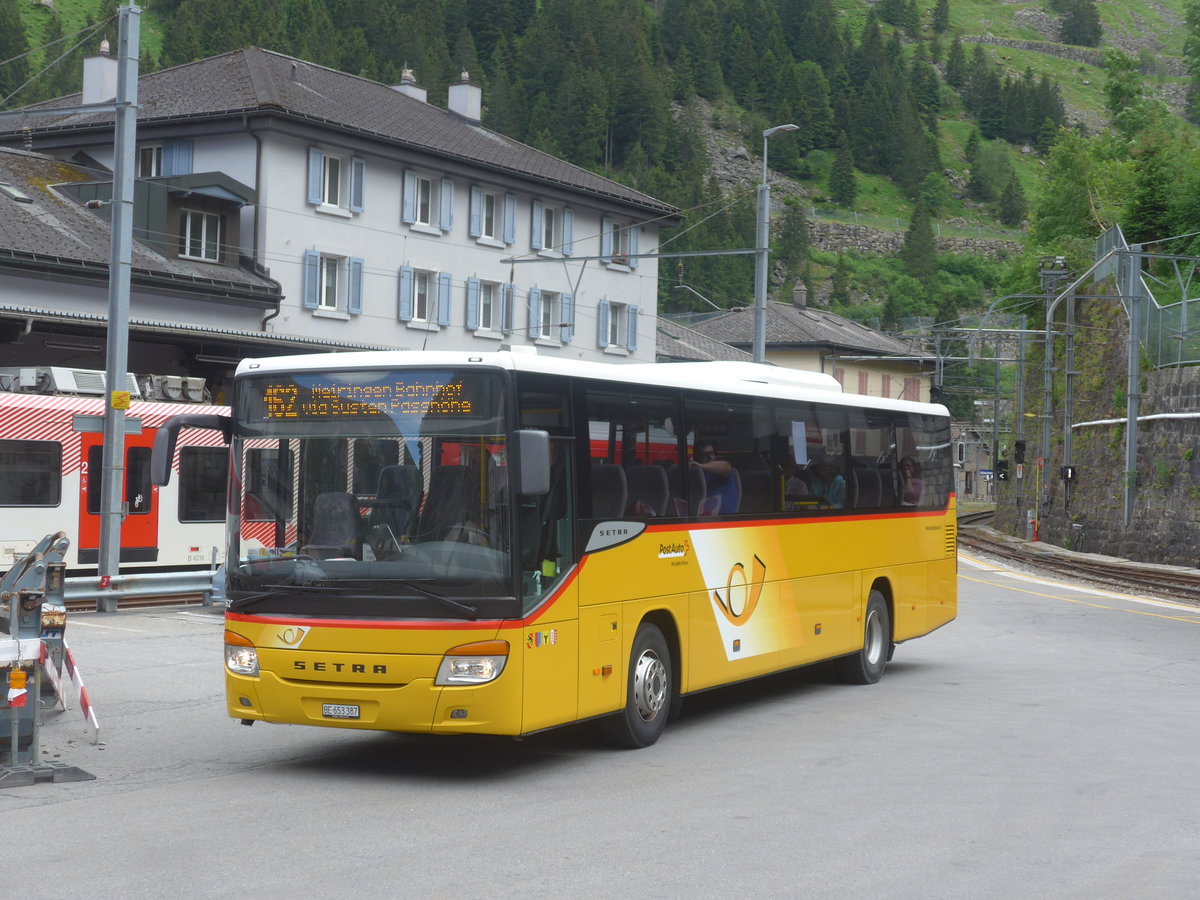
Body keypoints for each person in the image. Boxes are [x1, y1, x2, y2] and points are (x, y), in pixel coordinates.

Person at [692, 440, 738, 514]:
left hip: (725, 521)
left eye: (711, 453)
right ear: (697, 457)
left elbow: (726, 467)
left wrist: (700, 466)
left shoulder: (720, 471)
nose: (710, 457)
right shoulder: (697, 475)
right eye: (705, 454)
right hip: (703, 519)